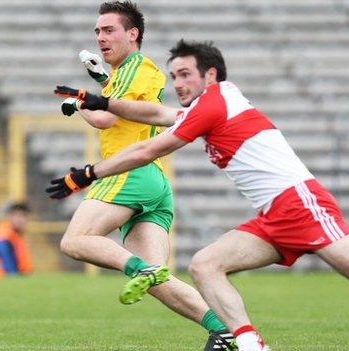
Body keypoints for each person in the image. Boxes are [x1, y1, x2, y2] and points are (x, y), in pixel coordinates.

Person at [49, 39, 349, 351]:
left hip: (300, 204)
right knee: (205, 265)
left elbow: (149, 147)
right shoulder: (209, 105)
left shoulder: (214, 102)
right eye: (174, 76)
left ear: (211, 75)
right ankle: (248, 344)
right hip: (273, 215)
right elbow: (156, 114)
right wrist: (103, 100)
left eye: (186, 75)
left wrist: (86, 174)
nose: (177, 83)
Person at [56, 2, 233, 349]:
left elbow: (106, 118)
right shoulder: (129, 71)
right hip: (152, 182)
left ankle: (140, 268)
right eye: (97, 32)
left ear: (132, 34)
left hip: (128, 173)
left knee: (74, 242)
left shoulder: (135, 69)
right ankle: (226, 330)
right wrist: (101, 81)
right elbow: (124, 107)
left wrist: (77, 105)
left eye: (109, 30)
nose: (101, 38)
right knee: (159, 279)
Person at [0, 203, 33, 277]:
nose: (19, 220)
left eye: (23, 216)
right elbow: (4, 252)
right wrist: (13, 273)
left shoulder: (15, 235)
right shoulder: (3, 234)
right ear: (9, 216)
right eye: (16, 216)